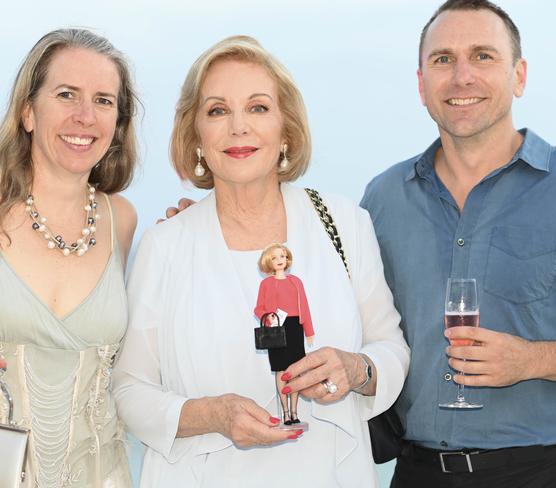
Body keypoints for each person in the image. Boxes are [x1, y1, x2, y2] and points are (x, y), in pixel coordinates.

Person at [360, 1, 556, 487]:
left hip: (545, 471)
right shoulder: (383, 198)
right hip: (416, 471)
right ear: (421, 84)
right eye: (443, 59)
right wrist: (202, 225)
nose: (461, 76)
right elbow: (338, 307)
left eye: (483, 56)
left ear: (519, 76)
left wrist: (531, 360)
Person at [112, 35, 409, 487]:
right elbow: (128, 389)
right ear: (196, 137)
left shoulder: (344, 222)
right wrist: (211, 414)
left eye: (257, 107)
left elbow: (392, 351)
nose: (238, 127)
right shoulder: (164, 245)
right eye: (217, 110)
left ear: (286, 128)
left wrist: (355, 370)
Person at [0, 29, 138, 487]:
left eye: (103, 101)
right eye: (66, 95)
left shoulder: (122, 220)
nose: (85, 117)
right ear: (28, 112)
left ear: (117, 123)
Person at [254, 243, 314, 426]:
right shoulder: (265, 284)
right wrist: (267, 319)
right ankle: (285, 413)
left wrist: (309, 331)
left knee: (295, 372)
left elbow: (305, 306)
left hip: (295, 327)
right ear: (268, 262)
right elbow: (258, 308)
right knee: (281, 370)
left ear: (287, 259)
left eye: (282, 256)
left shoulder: (296, 281)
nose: (279, 260)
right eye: (274, 257)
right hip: (277, 328)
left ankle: (294, 412)